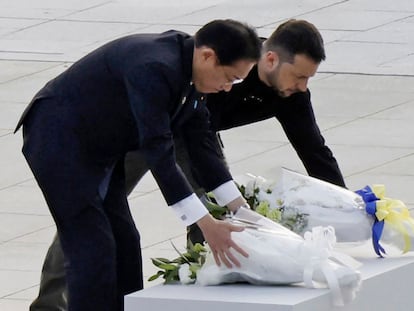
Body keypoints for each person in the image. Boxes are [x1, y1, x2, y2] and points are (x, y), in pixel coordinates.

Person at [29, 19, 346, 310]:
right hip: (65, 138)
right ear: (209, 58)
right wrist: (208, 223)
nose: (227, 88)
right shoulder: (157, 67)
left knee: (126, 240)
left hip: (115, 140)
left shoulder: (202, 73)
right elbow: (159, 152)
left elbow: (202, 141)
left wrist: (239, 209)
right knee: (90, 241)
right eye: (228, 79)